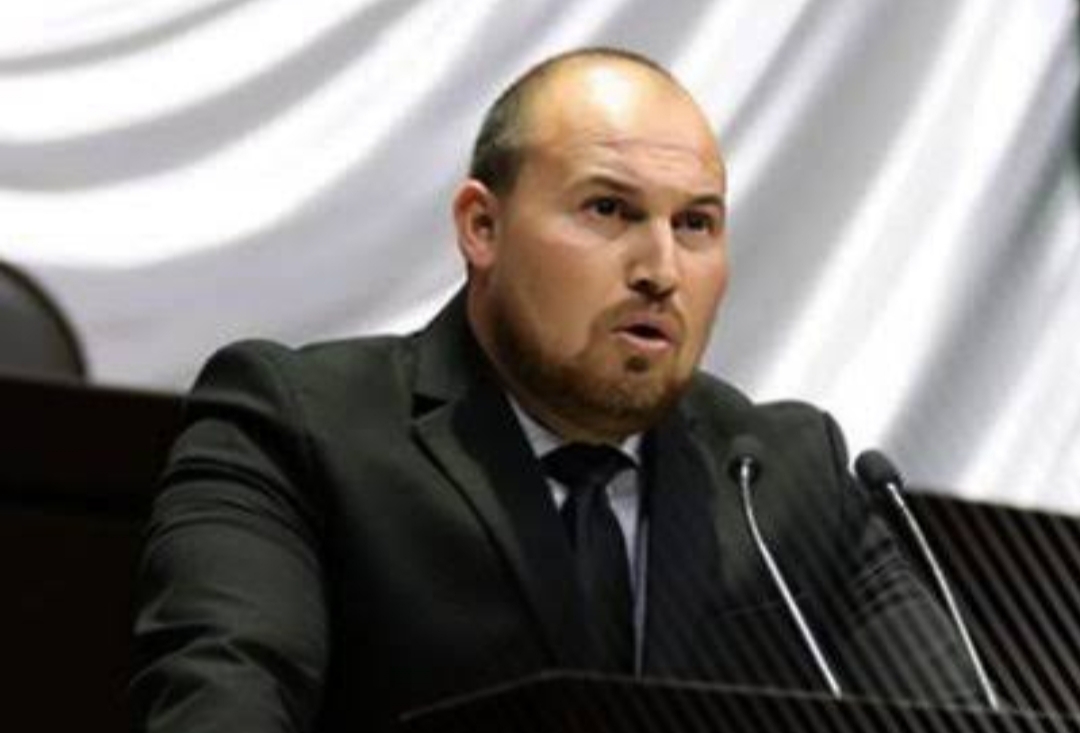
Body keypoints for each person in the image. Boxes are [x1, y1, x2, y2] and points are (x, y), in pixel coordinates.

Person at [131, 48, 981, 733]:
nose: (660, 269)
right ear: (482, 226)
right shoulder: (297, 426)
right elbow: (222, 707)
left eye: (695, 223)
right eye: (609, 209)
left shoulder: (787, 477)